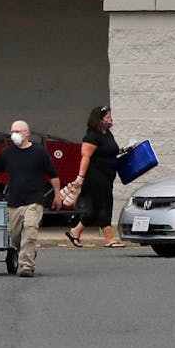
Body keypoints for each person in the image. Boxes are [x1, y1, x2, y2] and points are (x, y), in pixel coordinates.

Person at [0, 119, 62, 277]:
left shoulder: (39, 152)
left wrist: (57, 194)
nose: (14, 135)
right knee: (15, 236)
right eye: (12, 132)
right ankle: (27, 251)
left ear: (27, 133)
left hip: (34, 200)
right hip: (14, 201)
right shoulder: (7, 153)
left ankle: (27, 266)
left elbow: (53, 175)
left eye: (18, 131)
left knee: (30, 229)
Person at [67, 105, 123, 248]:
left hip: (108, 175)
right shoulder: (92, 136)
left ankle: (75, 232)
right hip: (96, 176)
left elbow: (110, 151)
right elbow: (85, 157)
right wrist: (80, 177)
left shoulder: (108, 134)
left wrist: (125, 150)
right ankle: (110, 239)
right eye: (107, 118)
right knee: (104, 204)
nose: (110, 120)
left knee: (94, 208)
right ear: (98, 120)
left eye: (111, 117)